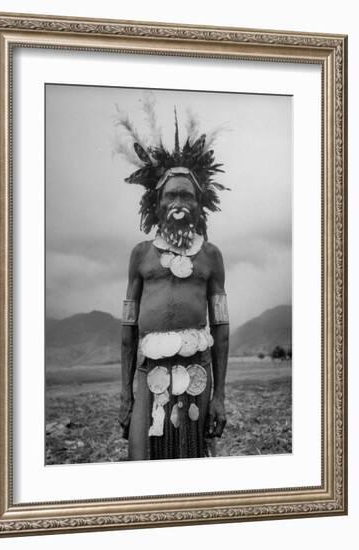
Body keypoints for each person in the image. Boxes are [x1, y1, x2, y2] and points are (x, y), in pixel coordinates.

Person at [117, 108, 230, 460]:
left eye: (187, 196)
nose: (179, 203)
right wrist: (125, 394)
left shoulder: (211, 256)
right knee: (144, 464)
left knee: (193, 465)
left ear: (200, 206)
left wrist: (220, 396)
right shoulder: (140, 256)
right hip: (148, 376)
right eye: (171, 196)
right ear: (157, 203)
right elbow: (128, 329)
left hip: (198, 374)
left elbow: (221, 329)